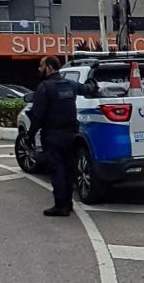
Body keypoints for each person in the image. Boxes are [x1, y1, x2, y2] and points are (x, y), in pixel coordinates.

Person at [26, 56, 97, 217]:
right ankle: (68, 203)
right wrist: (93, 83)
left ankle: (61, 206)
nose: (39, 69)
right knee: (68, 170)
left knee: (57, 170)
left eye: (41, 66)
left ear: (49, 68)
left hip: (53, 136)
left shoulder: (45, 87)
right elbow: (86, 89)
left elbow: (37, 116)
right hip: (71, 134)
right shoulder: (69, 85)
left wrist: (30, 136)